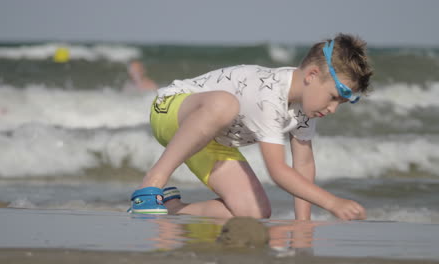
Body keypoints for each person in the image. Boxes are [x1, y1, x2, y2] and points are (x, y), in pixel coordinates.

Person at [129, 33, 373, 221]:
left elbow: (304, 165)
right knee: (225, 104)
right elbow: (277, 170)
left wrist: (303, 225)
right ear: (311, 75)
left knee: (255, 212)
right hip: (171, 112)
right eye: (333, 97)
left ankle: (173, 208)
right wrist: (331, 203)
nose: (333, 109)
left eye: (341, 102)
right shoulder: (269, 94)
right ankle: (152, 183)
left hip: (212, 142)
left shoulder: (306, 109)